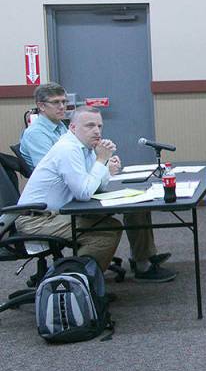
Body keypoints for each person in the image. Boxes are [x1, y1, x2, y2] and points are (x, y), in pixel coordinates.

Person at [16, 107, 176, 282]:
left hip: (60, 211)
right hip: (37, 219)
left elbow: (95, 187)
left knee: (135, 208)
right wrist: (101, 160)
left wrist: (106, 167)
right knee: (106, 232)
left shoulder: (85, 147)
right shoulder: (68, 149)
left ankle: (143, 262)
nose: (96, 131)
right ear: (73, 128)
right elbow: (84, 193)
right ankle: (73, 282)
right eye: (90, 125)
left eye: (99, 126)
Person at [19, 82, 69, 168]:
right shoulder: (35, 133)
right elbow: (50, 168)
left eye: (64, 102)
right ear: (41, 106)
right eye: (56, 102)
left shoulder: (60, 124)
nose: (62, 106)